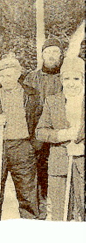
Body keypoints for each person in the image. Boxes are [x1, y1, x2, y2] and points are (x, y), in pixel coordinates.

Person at [0, 54, 44, 224]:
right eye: (2, 76)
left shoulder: (31, 95)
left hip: (23, 148)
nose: (5, 79)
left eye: (9, 75)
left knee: (28, 194)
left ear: (18, 74)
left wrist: (33, 146)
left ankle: (30, 230)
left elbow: (39, 121)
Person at [35, 57, 85, 221]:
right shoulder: (53, 101)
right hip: (59, 165)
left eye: (76, 78)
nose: (71, 83)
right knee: (59, 213)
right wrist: (60, 135)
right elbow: (40, 132)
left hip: (82, 165)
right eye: (67, 79)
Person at [24, 39, 65, 212]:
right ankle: (39, 209)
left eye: (55, 52)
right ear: (41, 55)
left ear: (61, 55)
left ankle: (61, 209)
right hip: (36, 134)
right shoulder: (31, 77)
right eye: (48, 52)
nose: (51, 56)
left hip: (59, 134)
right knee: (36, 174)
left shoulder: (66, 76)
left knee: (58, 174)